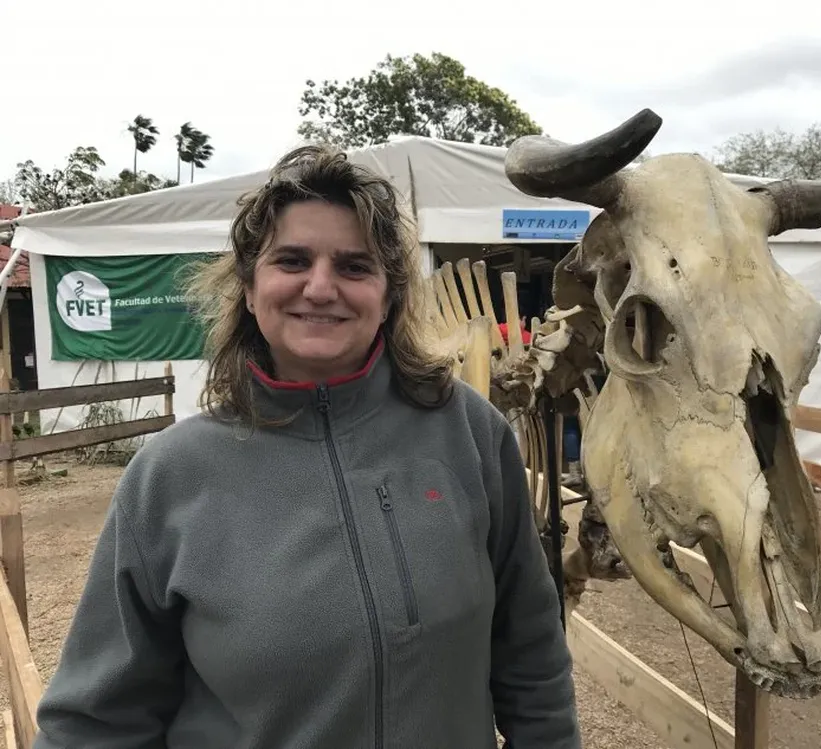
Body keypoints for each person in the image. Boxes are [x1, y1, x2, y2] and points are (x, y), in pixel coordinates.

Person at [32, 145, 582, 749]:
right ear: (248, 287)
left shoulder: (470, 433)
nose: (320, 288)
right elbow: (95, 723)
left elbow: (531, 653)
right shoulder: (170, 475)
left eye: (354, 266)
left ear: (389, 294)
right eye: (292, 260)